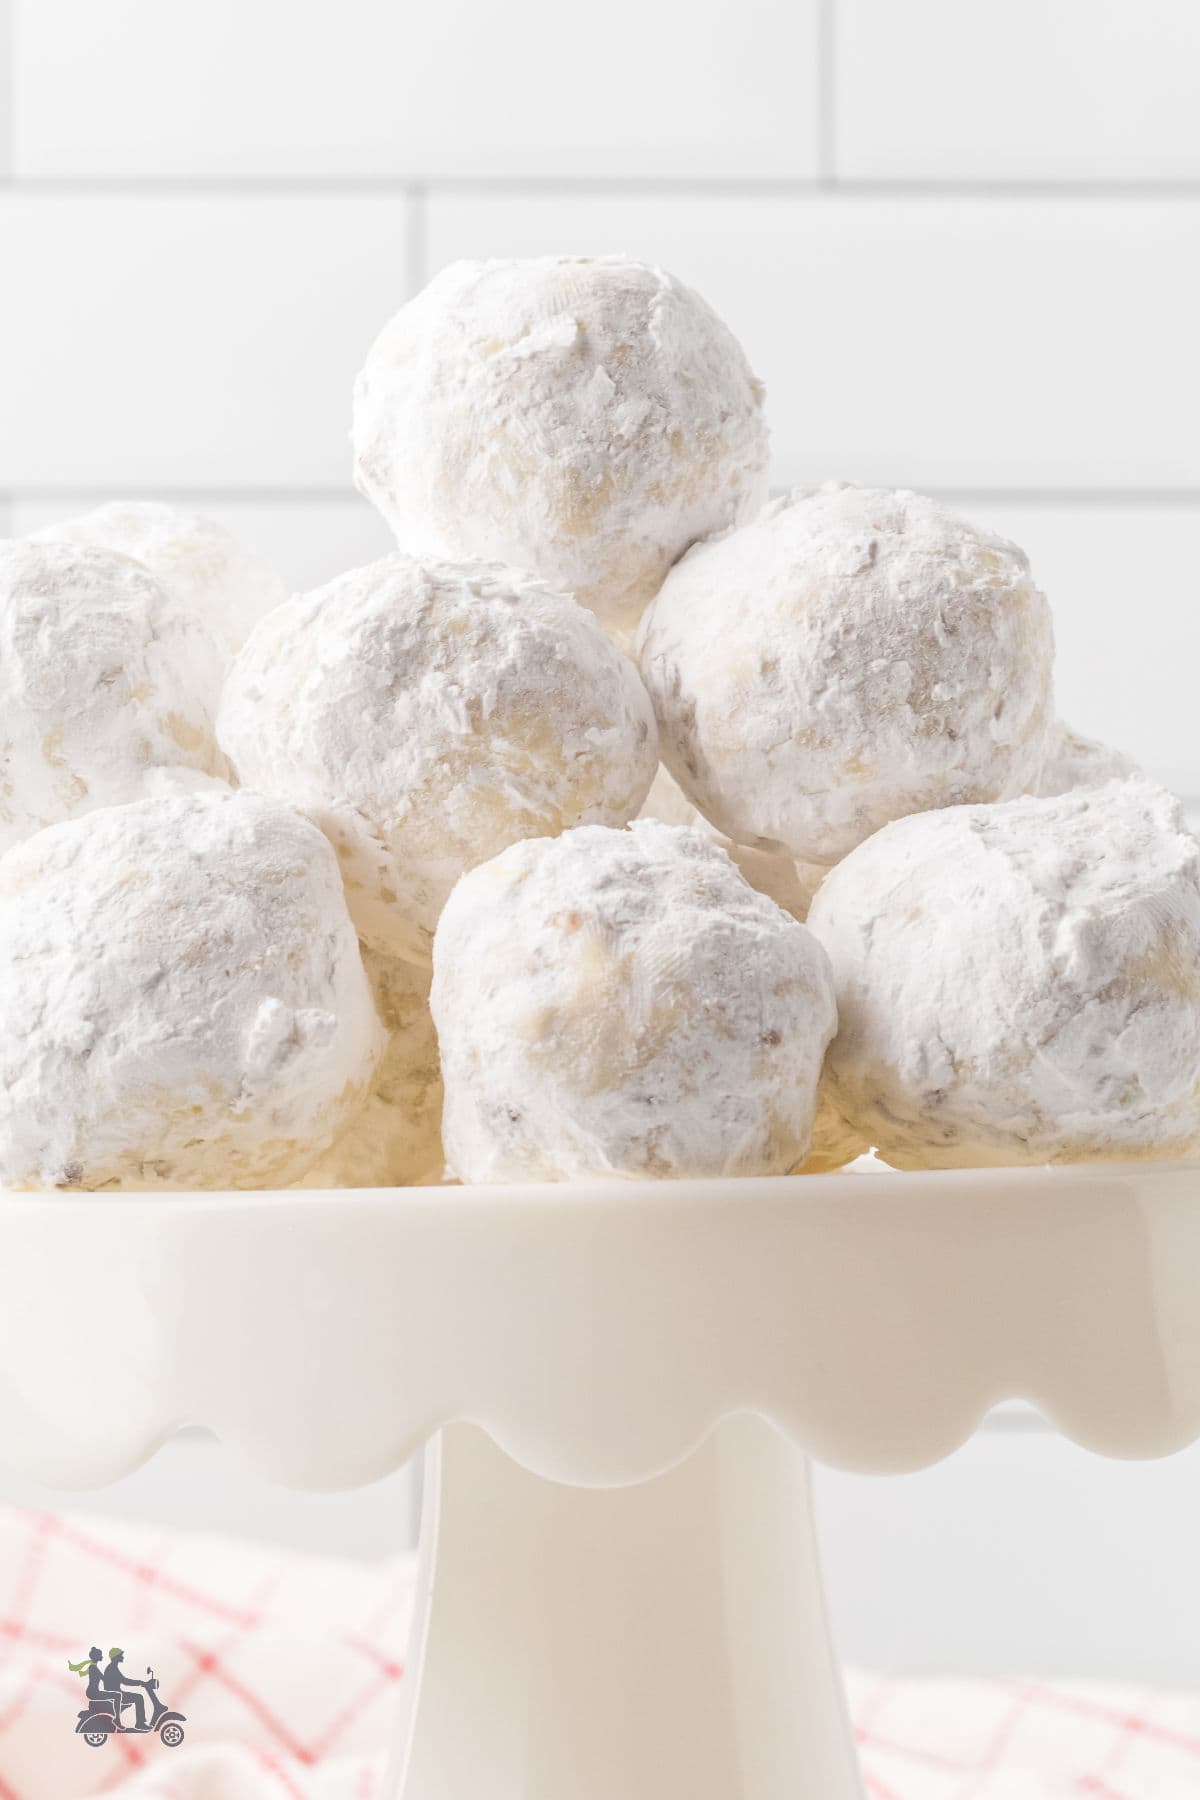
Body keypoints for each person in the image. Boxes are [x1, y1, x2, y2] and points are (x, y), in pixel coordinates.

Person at [102, 1647, 147, 1729]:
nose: (122, 1657)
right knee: (139, 1698)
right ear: (116, 1657)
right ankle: (140, 1723)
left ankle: (140, 1723)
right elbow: (125, 1681)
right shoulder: (112, 1668)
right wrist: (140, 1682)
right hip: (116, 1694)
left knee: (138, 1697)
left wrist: (140, 1683)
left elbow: (124, 1680)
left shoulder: (113, 1667)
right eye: (120, 1655)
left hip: (117, 1693)